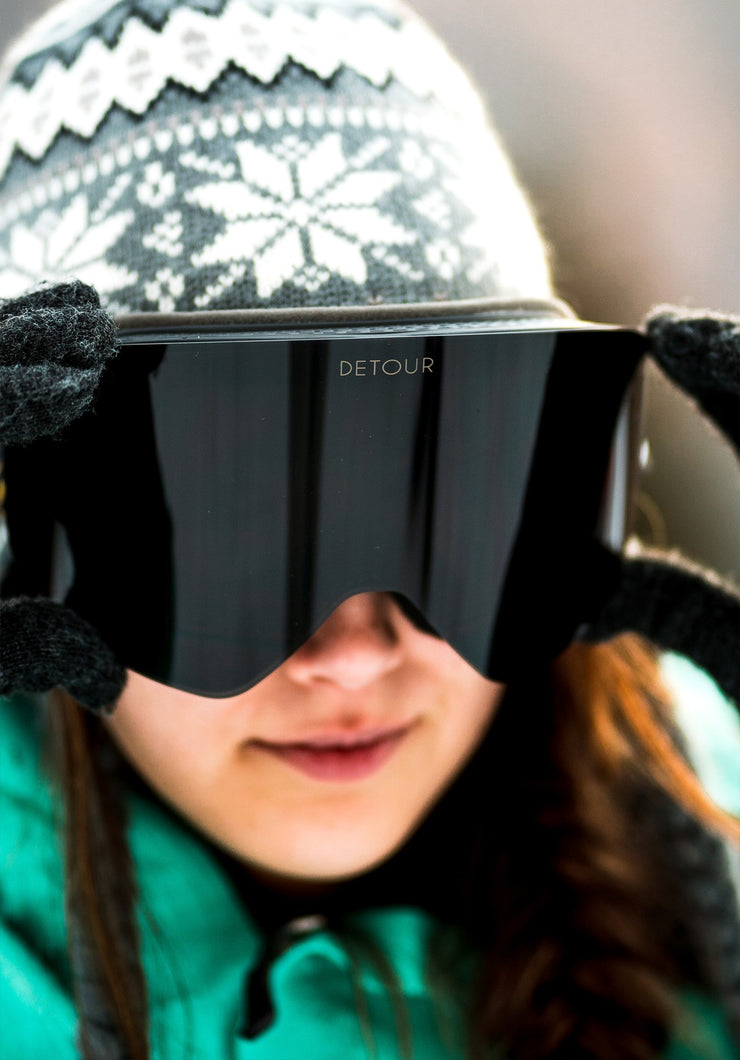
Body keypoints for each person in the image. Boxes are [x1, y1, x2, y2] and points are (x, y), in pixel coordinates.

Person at [0, 1, 738, 1058]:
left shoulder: (707, 863)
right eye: (234, 543)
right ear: (45, 553)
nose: (351, 658)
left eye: (444, 513)